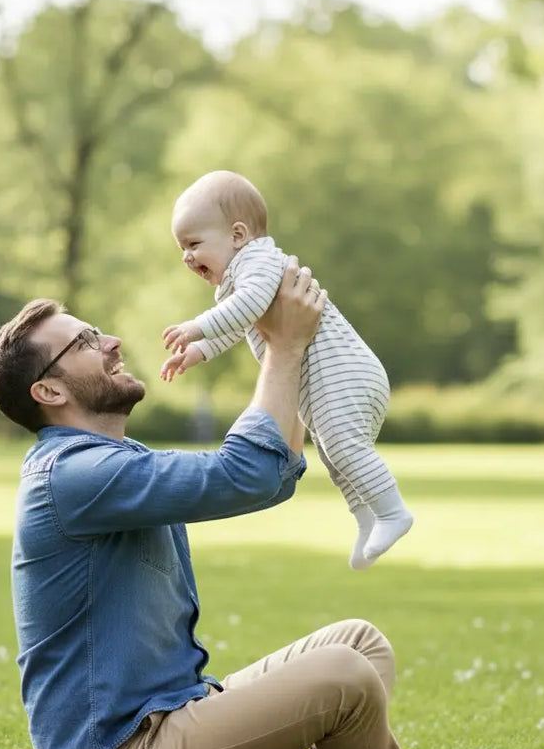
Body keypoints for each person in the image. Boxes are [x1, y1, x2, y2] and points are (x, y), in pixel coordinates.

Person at [0, 261, 474, 749]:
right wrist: (284, 348)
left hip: (177, 712)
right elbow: (244, 474)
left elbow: (269, 477)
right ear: (47, 389)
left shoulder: (111, 461)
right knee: (345, 675)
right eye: (85, 342)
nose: (111, 342)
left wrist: (297, 352)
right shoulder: (74, 478)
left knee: (357, 642)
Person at [161, 170, 412, 569]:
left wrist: (196, 326)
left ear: (238, 235)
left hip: (346, 374)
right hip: (327, 384)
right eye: (181, 248)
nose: (187, 257)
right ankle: (365, 517)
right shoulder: (239, 279)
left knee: (346, 447)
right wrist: (199, 351)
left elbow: (247, 306)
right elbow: (242, 321)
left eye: (193, 244)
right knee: (332, 454)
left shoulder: (258, 262)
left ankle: (393, 512)